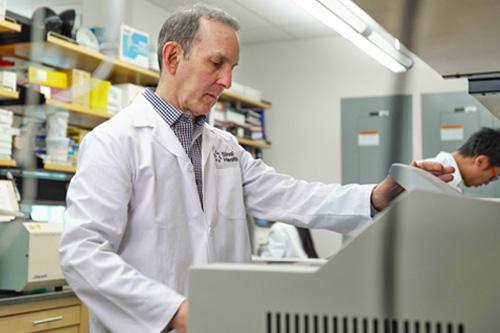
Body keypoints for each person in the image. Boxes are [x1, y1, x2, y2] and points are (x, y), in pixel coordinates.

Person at [58, 4, 453, 333]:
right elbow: (82, 253)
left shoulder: (224, 147)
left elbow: (292, 195)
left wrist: (374, 195)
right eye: (217, 63)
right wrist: (173, 310)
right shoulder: (115, 142)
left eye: (232, 66)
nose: (226, 80)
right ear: (173, 57)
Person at [424, 127, 500, 192]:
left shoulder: (452, 180)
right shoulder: (427, 175)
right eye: (493, 177)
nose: (486, 183)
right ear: (481, 161)